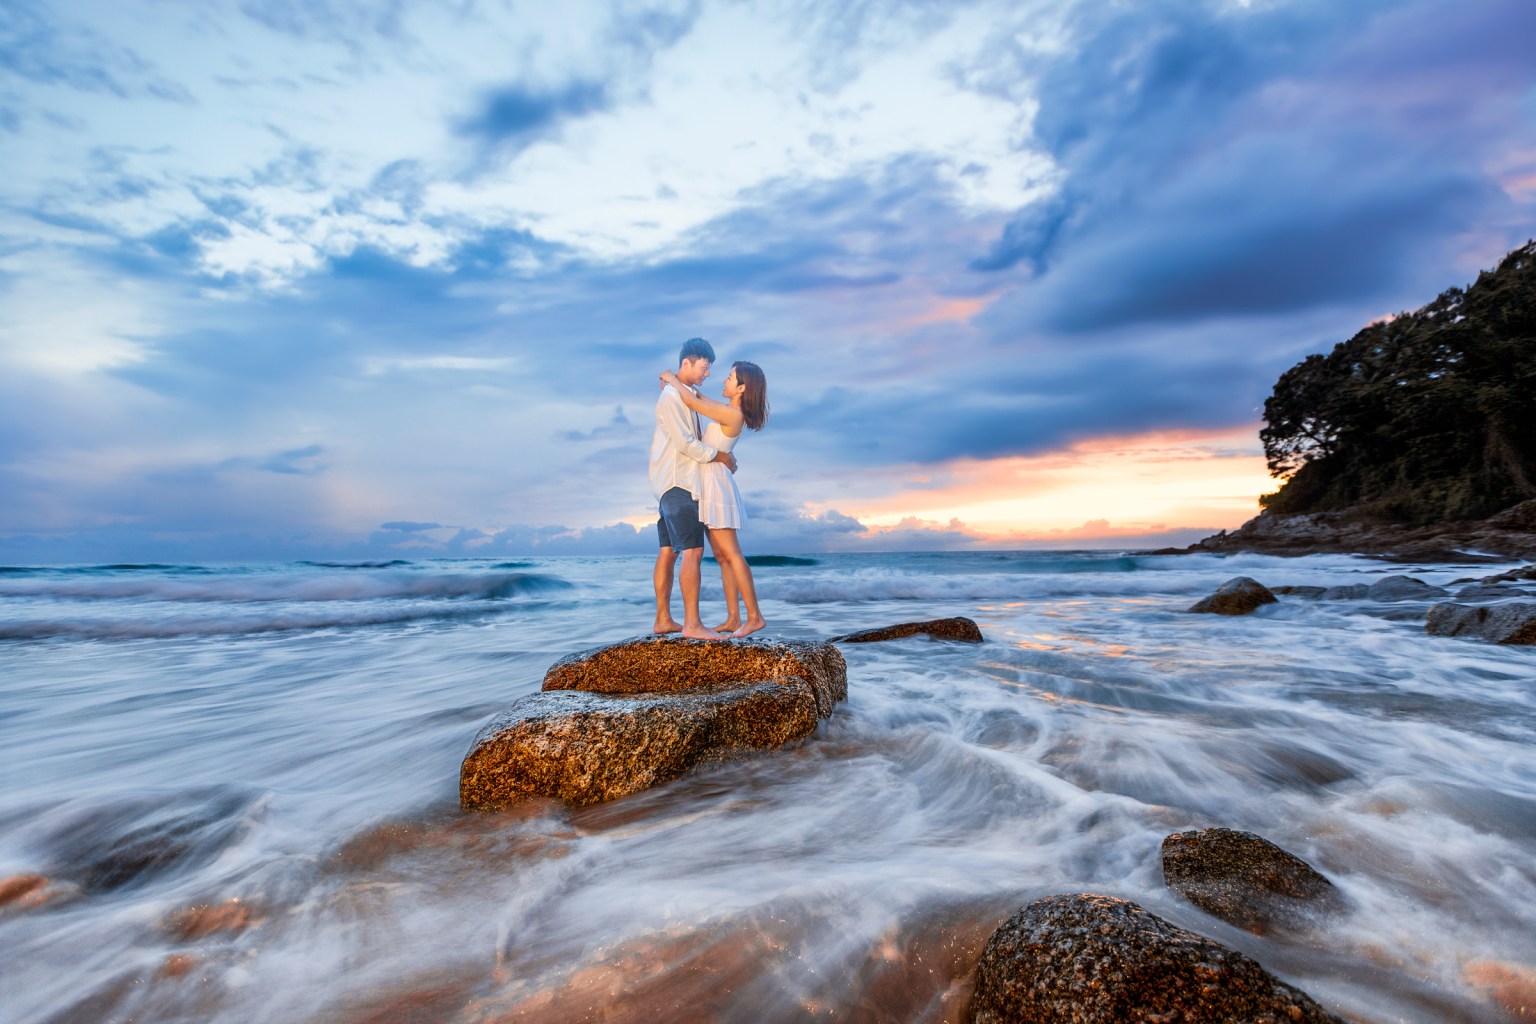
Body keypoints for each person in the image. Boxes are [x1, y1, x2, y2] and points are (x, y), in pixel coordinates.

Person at [658, 360, 769, 638]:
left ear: (741, 388)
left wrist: (672, 378)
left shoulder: (734, 415)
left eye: (730, 378)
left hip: (716, 486)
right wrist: (680, 384)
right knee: (721, 556)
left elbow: (694, 403)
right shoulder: (728, 411)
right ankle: (733, 617)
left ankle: (754, 616)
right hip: (708, 483)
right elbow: (698, 398)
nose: (724, 381)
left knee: (731, 554)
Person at [651, 338, 738, 639]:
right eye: (704, 366)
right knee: (693, 551)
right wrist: (720, 455)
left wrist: (670, 377)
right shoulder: (673, 398)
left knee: (668, 551)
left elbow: (696, 401)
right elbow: (685, 444)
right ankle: (692, 624)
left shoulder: (681, 393)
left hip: (667, 483)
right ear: (687, 362)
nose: (708, 373)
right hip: (680, 482)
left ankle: (663, 619)